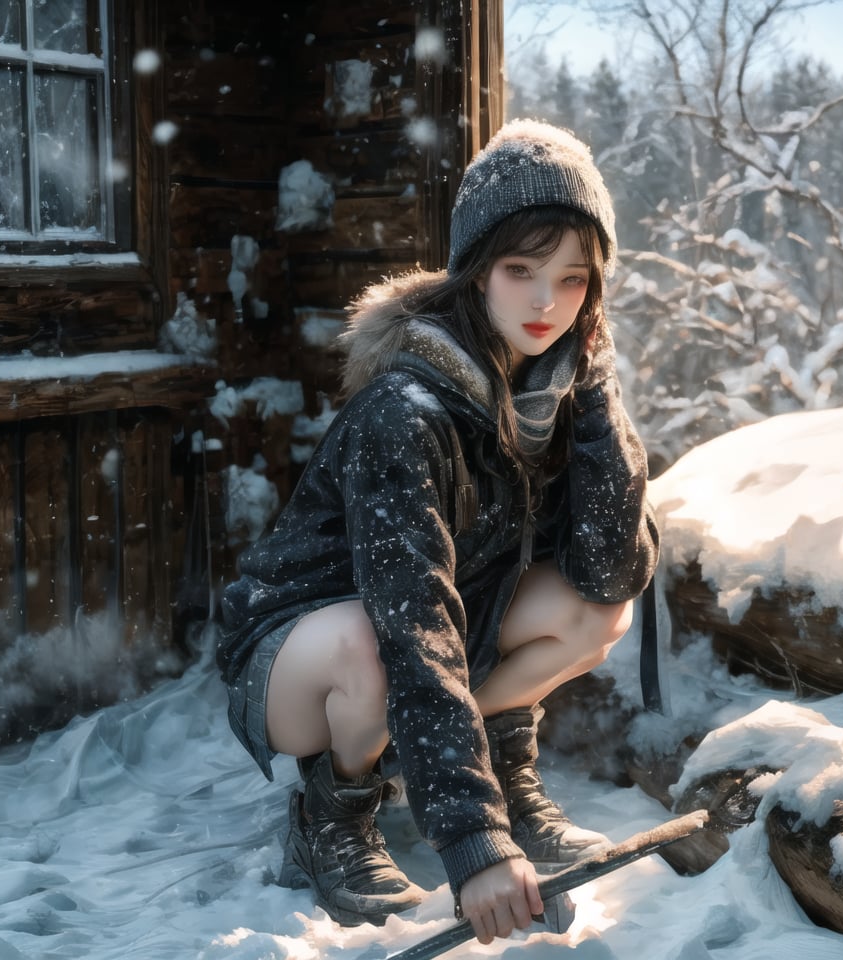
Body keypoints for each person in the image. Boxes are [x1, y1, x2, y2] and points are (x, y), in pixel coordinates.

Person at [217, 119, 659, 945]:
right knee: (369, 643)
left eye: (572, 280)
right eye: (521, 270)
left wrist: (595, 396)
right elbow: (413, 621)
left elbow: (607, 565)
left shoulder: (556, 389)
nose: (544, 303)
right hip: (297, 655)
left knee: (596, 612)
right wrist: (474, 842)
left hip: (418, 634)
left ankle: (474, 759)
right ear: (475, 271)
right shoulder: (404, 411)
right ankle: (333, 810)